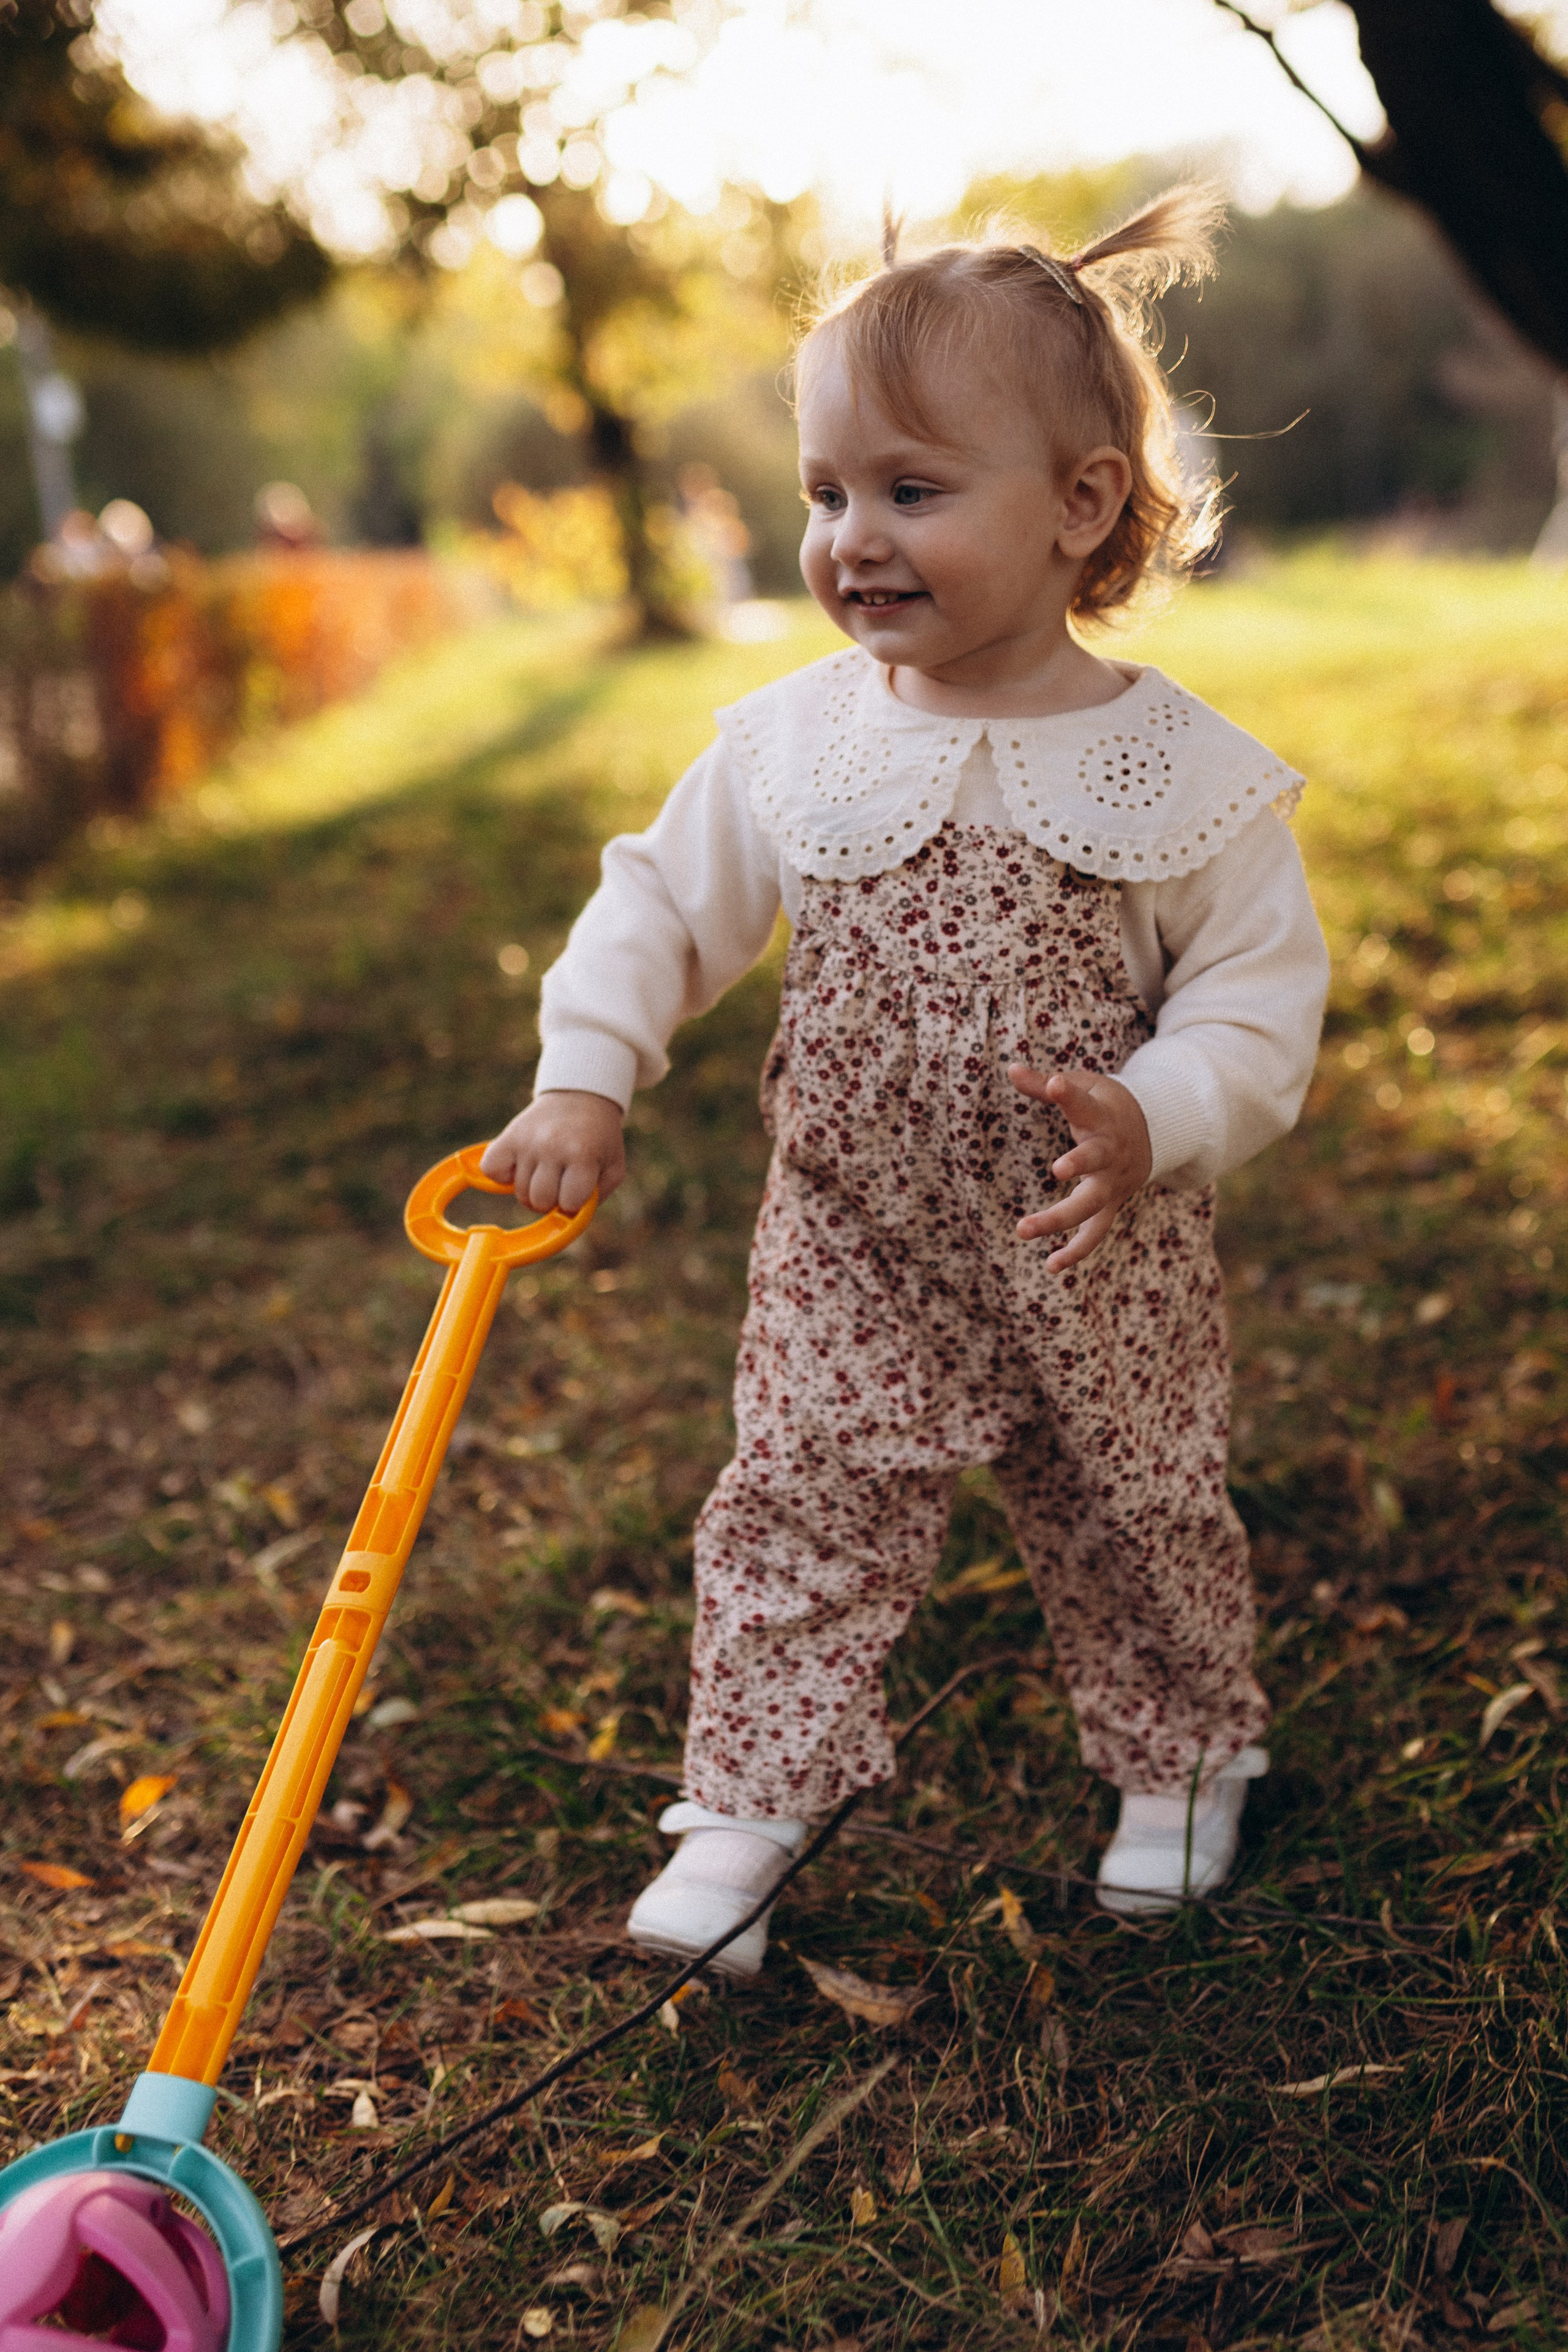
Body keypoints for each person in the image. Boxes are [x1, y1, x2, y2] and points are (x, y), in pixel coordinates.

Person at [481, 188, 1330, 1968]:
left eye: (912, 491)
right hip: (852, 1240)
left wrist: (1162, 1112)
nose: (853, 539)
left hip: (1092, 1244)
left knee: (1135, 1506)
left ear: (1081, 503)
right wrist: (586, 1074)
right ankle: (744, 1807)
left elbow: (1259, 1001)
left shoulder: (1179, 773)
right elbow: (660, 904)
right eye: (826, 494)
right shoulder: (801, 741)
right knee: (797, 1496)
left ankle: (1183, 1760)